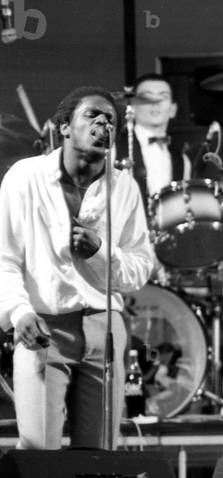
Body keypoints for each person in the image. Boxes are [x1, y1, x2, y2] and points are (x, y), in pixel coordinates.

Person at [0, 86, 155, 449]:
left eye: (111, 120)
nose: (103, 122)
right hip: (43, 325)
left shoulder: (125, 188)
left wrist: (100, 252)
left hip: (105, 327)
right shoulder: (25, 177)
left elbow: (140, 268)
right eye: (92, 115)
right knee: (39, 447)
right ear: (64, 127)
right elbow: (4, 257)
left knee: (99, 452)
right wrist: (18, 312)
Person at [119, 73, 191, 201]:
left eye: (162, 97)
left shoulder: (182, 160)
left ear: (173, 109)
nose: (155, 103)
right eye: (147, 98)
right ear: (132, 108)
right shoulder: (113, 148)